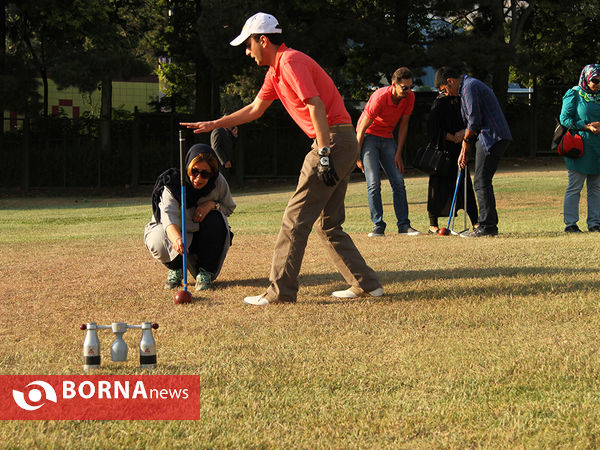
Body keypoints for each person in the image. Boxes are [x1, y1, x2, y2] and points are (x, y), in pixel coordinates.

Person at [181, 12, 382, 305]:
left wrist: (323, 152)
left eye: (249, 45)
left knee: (294, 219)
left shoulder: (290, 62)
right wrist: (215, 124)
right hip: (341, 140)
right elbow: (254, 109)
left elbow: (314, 105)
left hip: (332, 141)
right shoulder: (275, 71)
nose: (247, 52)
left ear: (264, 40)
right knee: (328, 223)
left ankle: (280, 291)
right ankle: (367, 284)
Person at [144, 143, 236, 291]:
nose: (198, 178)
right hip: (176, 232)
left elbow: (229, 207)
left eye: (205, 174)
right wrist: (176, 239)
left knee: (216, 220)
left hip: (201, 235)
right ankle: (176, 268)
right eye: (194, 171)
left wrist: (212, 204)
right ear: (187, 168)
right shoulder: (173, 183)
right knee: (157, 238)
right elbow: (168, 215)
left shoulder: (218, 182)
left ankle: (205, 272)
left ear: (212, 173)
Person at [434, 67, 512, 237]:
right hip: (489, 137)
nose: (446, 94)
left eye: (445, 90)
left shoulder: (469, 87)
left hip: (491, 137)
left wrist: (465, 145)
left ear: (450, 81)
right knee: (481, 180)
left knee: (481, 181)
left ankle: (487, 226)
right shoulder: (468, 87)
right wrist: (466, 146)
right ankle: (487, 224)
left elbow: (474, 120)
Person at [356, 67, 422, 237]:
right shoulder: (380, 97)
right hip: (369, 136)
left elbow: (404, 125)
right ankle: (378, 225)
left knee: (398, 181)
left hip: (387, 137)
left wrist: (398, 153)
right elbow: (362, 128)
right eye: (404, 88)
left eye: (411, 87)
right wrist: (356, 155)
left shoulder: (409, 98)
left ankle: (404, 225)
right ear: (394, 84)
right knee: (373, 183)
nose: (408, 91)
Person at [426, 93, 478, 233]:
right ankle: (433, 224)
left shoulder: (464, 100)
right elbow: (432, 128)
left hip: (461, 148)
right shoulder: (439, 102)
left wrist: (464, 133)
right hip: (442, 151)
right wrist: (451, 137)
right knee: (436, 186)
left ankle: (475, 221)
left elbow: (472, 121)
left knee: (465, 184)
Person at [560, 64, 600, 233]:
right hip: (580, 147)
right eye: (595, 80)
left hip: (597, 148)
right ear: (586, 78)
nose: (598, 84)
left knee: (596, 187)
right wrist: (585, 126)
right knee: (575, 186)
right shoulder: (574, 94)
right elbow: (565, 119)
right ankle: (571, 224)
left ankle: (595, 223)